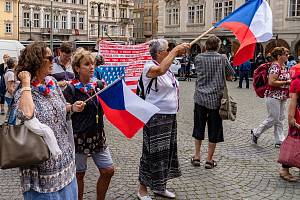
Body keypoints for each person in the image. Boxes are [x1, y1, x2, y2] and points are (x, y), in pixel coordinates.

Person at [13, 42, 85, 200]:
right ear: (37, 61)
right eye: (49, 57)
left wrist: (71, 107)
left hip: (65, 163)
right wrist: (25, 83)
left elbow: (58, 108)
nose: (53, 60)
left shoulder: (51, 83)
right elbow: (26, 113)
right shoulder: (24, 91)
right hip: (42, 172)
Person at [137, 39, 190, 200]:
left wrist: (175, 53)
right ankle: (142, 189)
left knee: (166, 153)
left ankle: (160, 186)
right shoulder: (149, 66)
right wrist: (175, 52)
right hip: (155, 117)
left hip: (169, 116)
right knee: (151, 153)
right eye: (168, 50)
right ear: (159, 53)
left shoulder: (168, 69)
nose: (170, 51)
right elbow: (159, 70)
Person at [63, 49, 114, 200]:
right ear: (77, 68)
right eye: (87, 64)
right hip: (79, 137)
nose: (91, 67)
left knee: (108, 170)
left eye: (92, 64)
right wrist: (72, 108)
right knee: (79, 174)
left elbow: (106, 105)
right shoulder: (71, 89)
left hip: (98, 135)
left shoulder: (98, 85)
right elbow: (62, 109)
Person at [191, 36, 235, 169]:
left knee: (198, 126)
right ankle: (209, 160)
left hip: (200, 98)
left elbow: (196, 73)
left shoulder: (198, 58)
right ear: (218, 46)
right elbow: (231, 74)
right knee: (214, 129)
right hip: (216, 100)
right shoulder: (222, 58)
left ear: (206, 45)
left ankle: (197, 156)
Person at [251, 47, 291, 147]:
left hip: (282, 96)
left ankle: (279, 140)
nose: (287, 56)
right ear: (279, 56)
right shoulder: (275, 67)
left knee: (280, 118)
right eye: (285, 54)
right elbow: (271, 82)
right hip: (273, 96)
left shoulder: (284, 66)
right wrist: (287, 82)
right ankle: (256, 132)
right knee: (273, 118)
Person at [278, 65, 300, 182]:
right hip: (298, 117)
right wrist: (291, 118)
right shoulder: (297, 81)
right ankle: (284, 169)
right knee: (293, 142)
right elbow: (293, 101)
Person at [4, 57, 18, 124]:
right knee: (12, 115)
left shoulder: (9, 72)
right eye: (16, 61)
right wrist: (15, 96)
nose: (17, 63)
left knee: (12, 114)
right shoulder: (11, 73)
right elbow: (10, 88)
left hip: (9, 96)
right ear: (14, 63)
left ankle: (12, 130)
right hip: (11, 96)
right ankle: (9, 130)